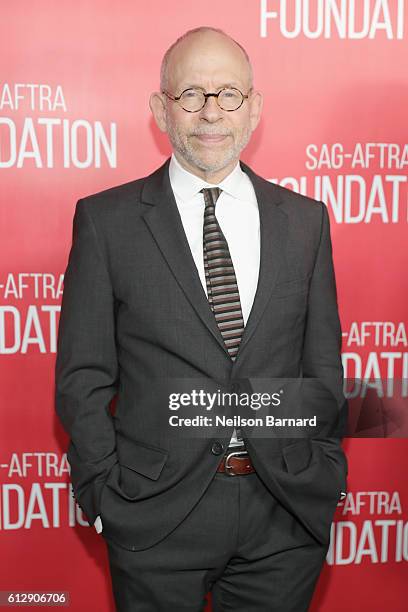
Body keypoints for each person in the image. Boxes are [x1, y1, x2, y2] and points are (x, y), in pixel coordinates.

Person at [55, 26, 348, 612]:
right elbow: (82, 377)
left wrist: (325, 469)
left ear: (254, 108)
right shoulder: (105, 222)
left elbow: (321, 365)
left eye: (229, 94)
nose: (211, 112)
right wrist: (103, 492)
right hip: (153, 513)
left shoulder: (306, 222)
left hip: (283, 515)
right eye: (190, 94)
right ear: (161, 109)